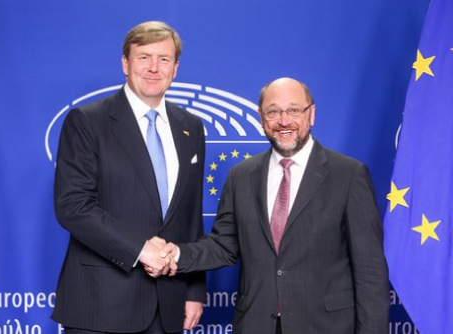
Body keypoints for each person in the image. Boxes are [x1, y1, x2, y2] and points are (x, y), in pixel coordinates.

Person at [154, 77, 389, 334]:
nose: (284, 121)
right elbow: (223, 246)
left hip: (325, 326)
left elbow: (370, 271)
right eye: (274, 112)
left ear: (311, 114)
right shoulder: (241, 176)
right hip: (256, 325)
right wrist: (175, 254)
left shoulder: (349, 175)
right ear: (261, 117)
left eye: (294, 111)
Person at [52, 21, 206, 334]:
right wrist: (141, 248)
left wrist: (193, 290)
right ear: (126, 63)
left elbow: (190, 215)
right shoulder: (87, 121)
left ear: (175, 68)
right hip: (101, 305)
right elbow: (74, 206)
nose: (153, 68)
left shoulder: (190, 126)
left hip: (169, 304)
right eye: (143, 57)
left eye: (164, 59)